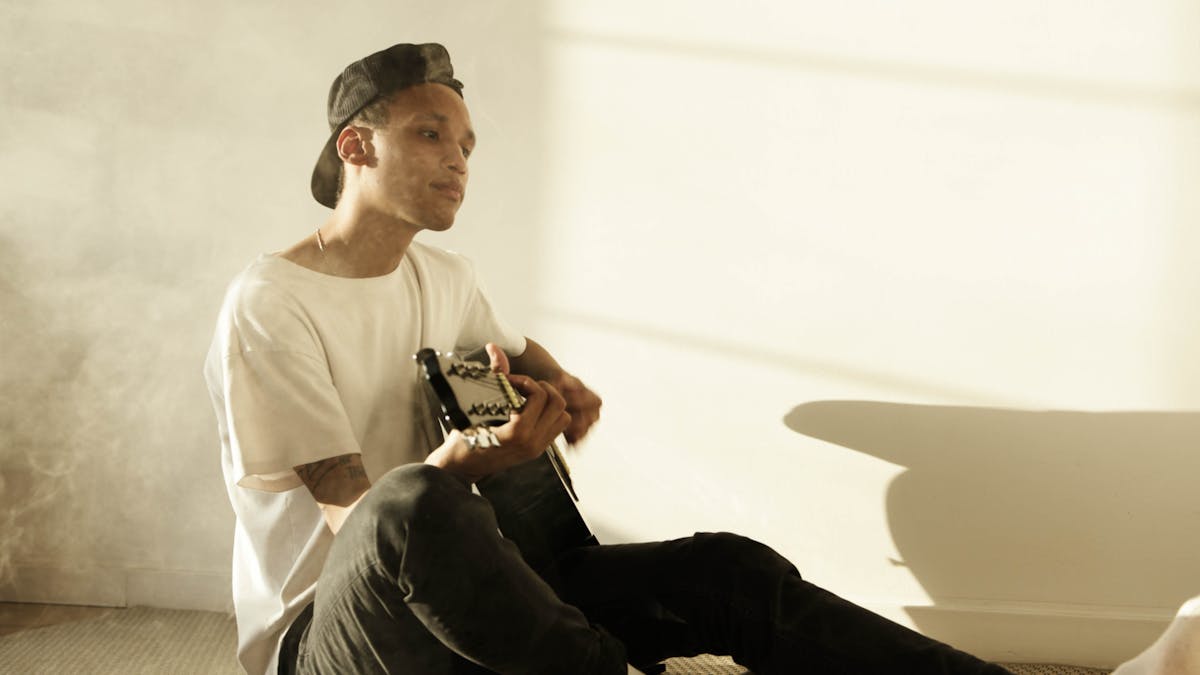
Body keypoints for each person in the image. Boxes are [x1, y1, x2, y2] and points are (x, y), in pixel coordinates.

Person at [204, 43, 1012, 675]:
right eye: (430, 133)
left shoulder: (444, 274)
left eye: (468, 143)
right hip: (341, 636)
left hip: (488, 604)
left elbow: (519, 354)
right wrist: (470, 463)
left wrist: (562, 390)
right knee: (413, 499)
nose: (459, 160)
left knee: (730, 572)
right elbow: (360, 525)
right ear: (356, 145)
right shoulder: (272, 301)